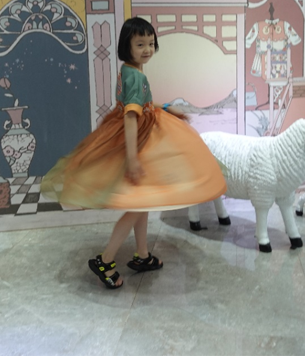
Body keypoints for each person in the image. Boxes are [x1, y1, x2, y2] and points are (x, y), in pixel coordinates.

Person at [41, 17, 227, 289]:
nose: (147, 49)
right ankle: (105, 260)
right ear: (126, 46)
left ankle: (142, 254)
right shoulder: (135, 75)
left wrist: (165, 107)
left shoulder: (130, 70)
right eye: (140, 44)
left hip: (137, 136)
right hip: (137, 141)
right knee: (136, 206)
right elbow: (131, 116)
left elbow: (142, 102)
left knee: (142, 202)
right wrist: (132, 158)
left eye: (150, 43)